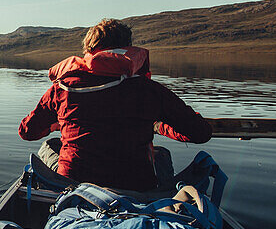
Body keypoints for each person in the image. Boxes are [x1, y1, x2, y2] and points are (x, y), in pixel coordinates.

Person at [18, 18, 211, 191]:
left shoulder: (62, 90)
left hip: (74, 185)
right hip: (136, 187)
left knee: (49, 146)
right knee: (161, 156)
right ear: (127, 49)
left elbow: (27, 132)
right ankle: (160, 196)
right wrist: (159, 125)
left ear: (88, 51)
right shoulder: (149, 90)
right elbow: (200, 132)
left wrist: (58, 124)